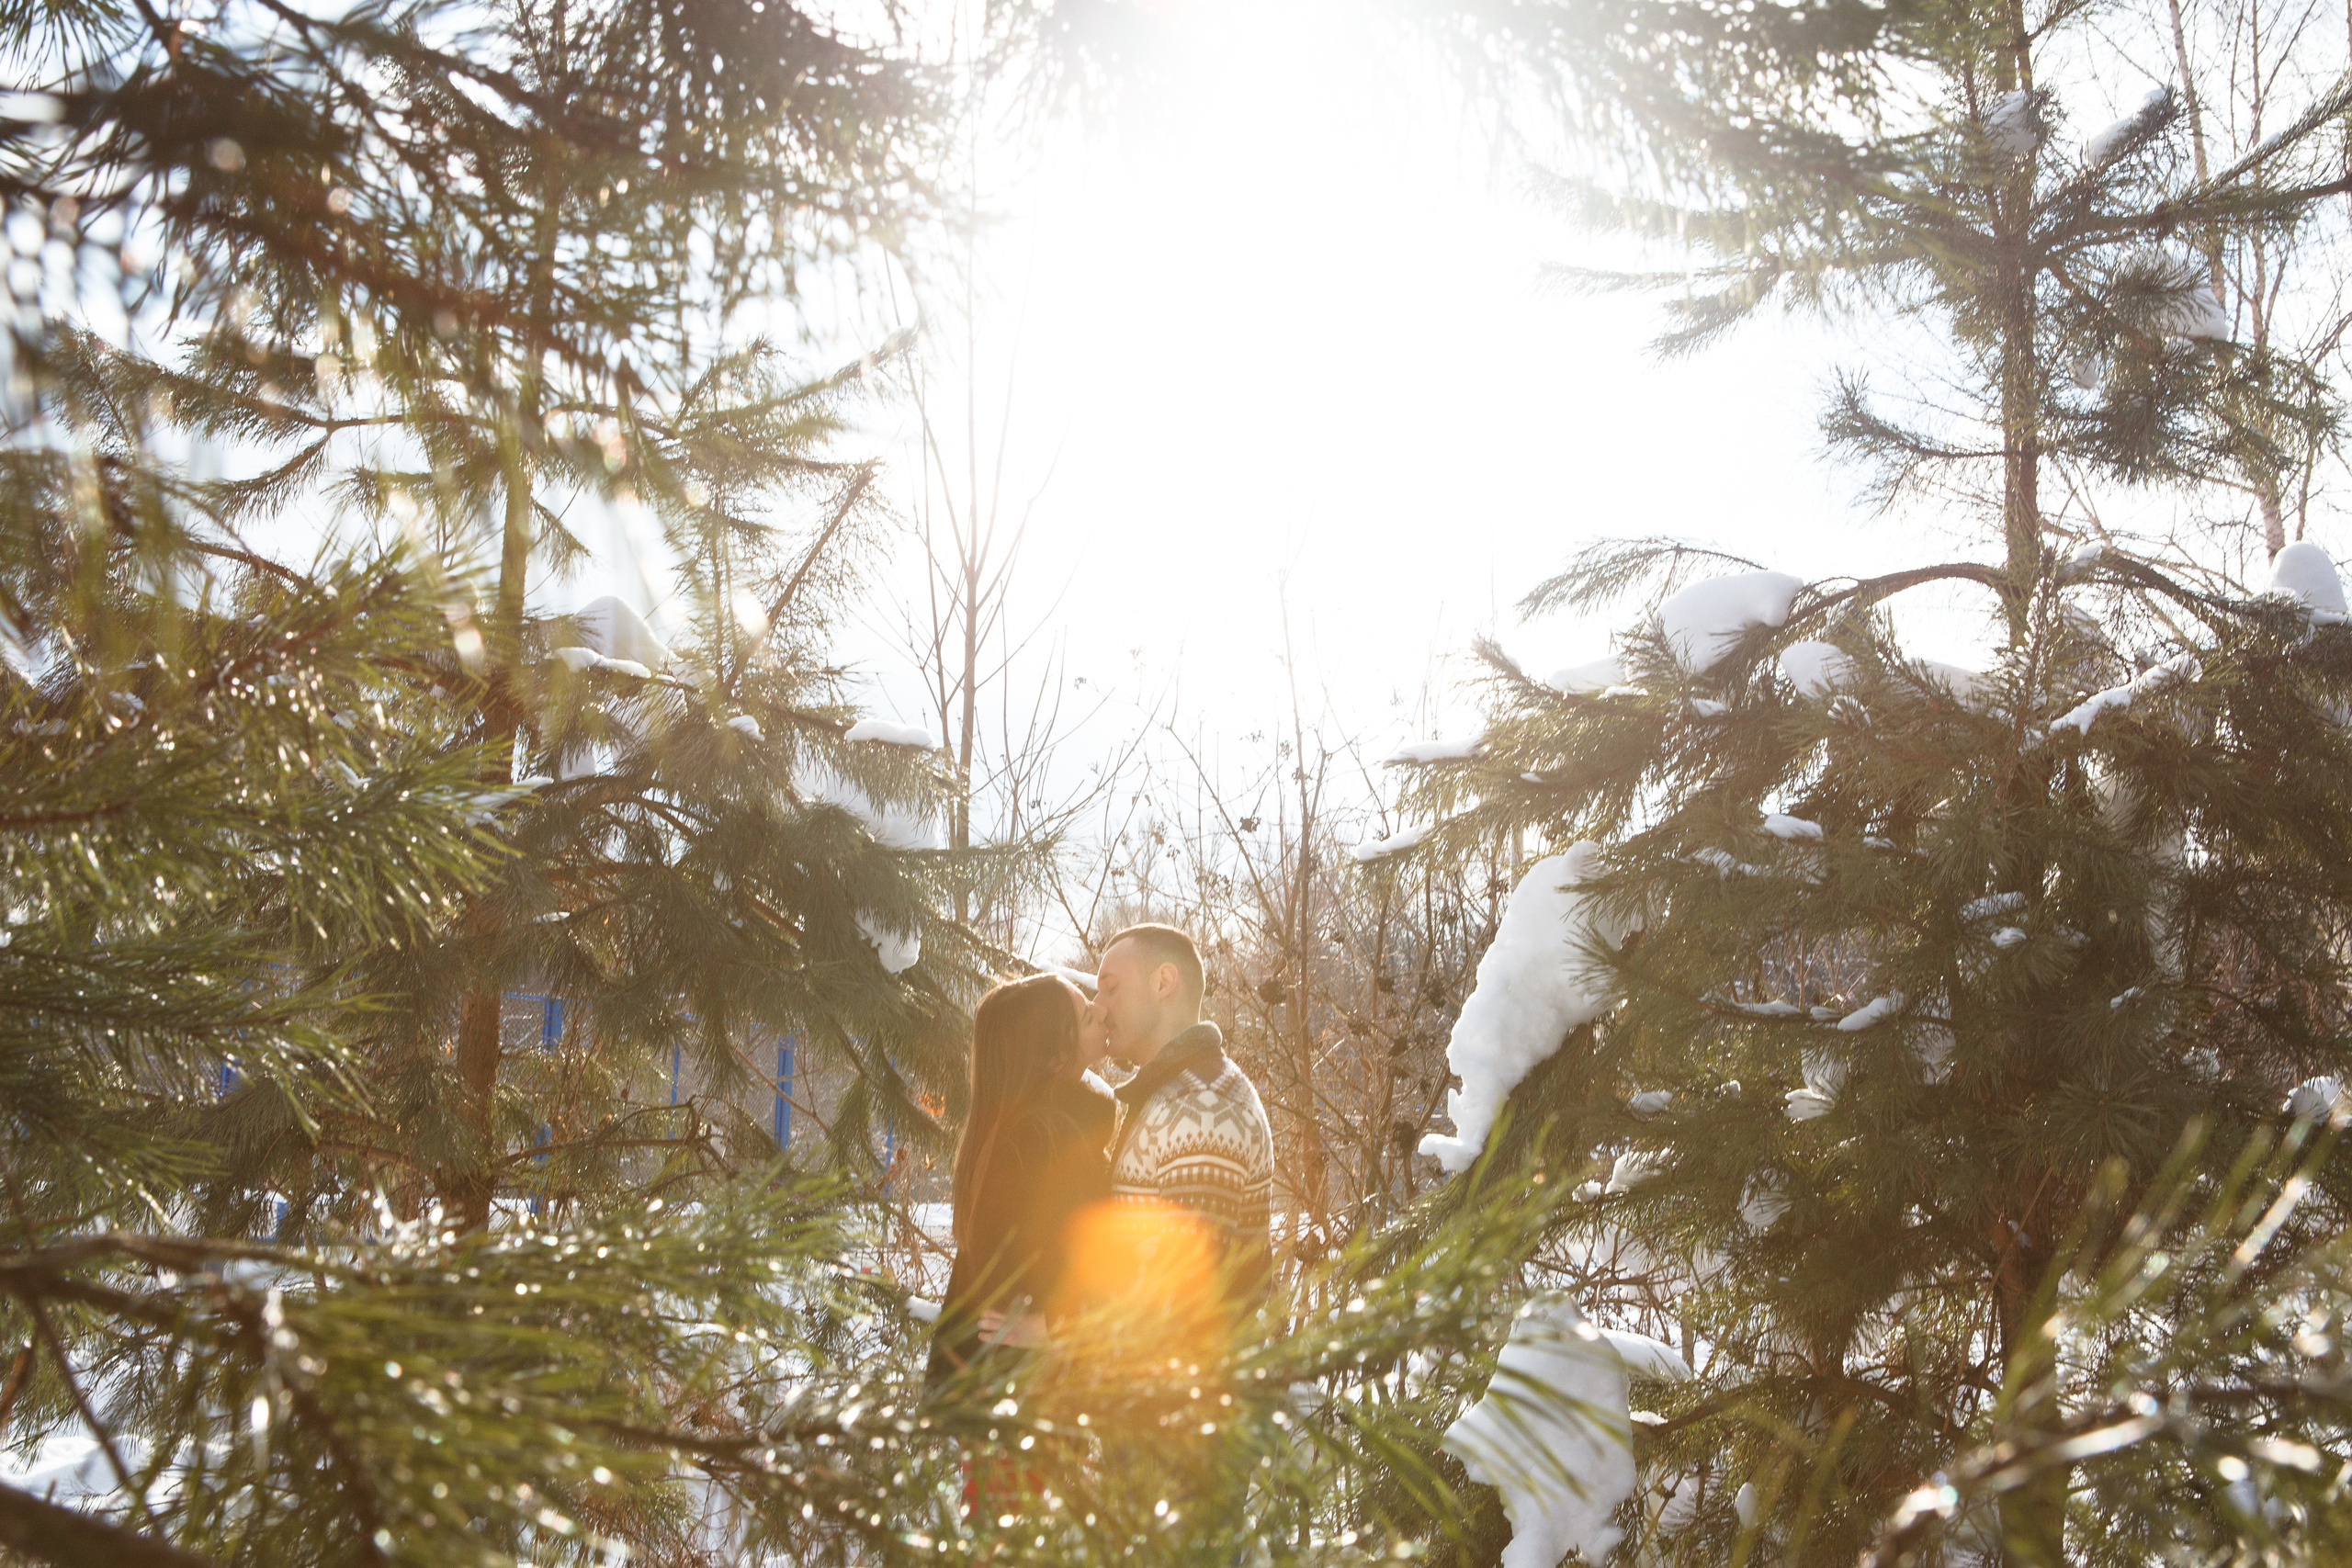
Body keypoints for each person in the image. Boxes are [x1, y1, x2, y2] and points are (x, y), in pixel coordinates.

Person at [926, 972, 1115, 1390]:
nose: (1101, 1011)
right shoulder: (1047, 1143)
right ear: (1054, 1059)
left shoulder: (1010, 1134)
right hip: (1024, 1400)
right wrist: (1058, 1326)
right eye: (1085, 1016)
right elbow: (1086, 1262)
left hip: (990, 1389)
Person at [1092, 923, 1274, 1311]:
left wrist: (1060, 1329)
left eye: (1111, 988)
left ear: (1164, 982)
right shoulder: (1174, 1093)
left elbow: (1188, 1300)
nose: (1098, 1007)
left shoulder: (1204, 1106)